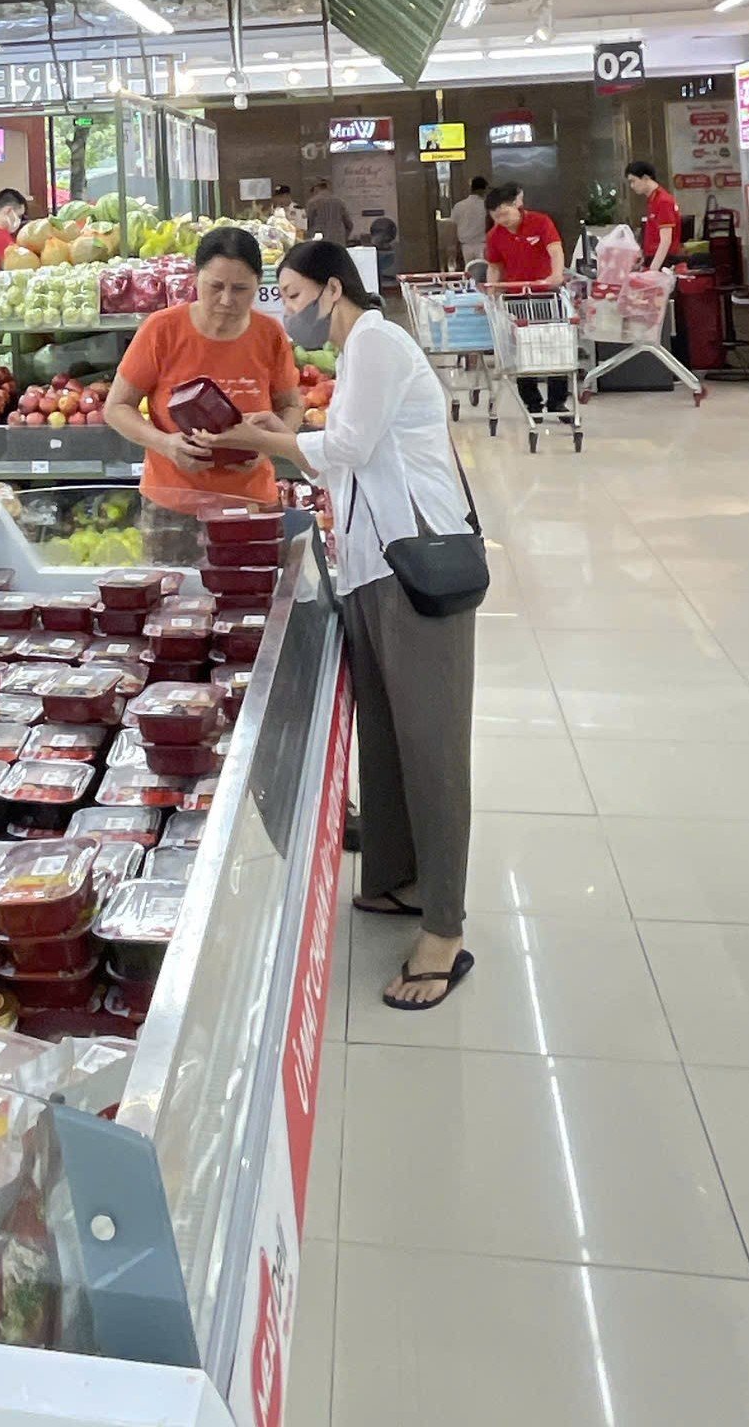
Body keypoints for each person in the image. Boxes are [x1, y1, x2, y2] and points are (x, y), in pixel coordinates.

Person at [219, 240, 476, 1010]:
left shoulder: (376, 340)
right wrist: (279, 434)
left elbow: (350, 445)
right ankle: (399, 881)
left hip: (416, 566)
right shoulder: (360, 353)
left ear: (332, 288)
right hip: (372, 564)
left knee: (431, 744)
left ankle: (446, 928)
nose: (285, 309)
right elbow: (341, 460)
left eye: (292, 294)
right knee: (389, 738)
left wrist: (261, 439)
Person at [105, 226, 302, 563]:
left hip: (250, 501)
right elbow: (116, 407)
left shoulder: (270, 335)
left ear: (259, 284)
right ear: (196, 280)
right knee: (171, 605)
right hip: (173, 504)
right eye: (215, 286)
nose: (226, 300)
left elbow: (292, 404)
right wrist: (166, 444)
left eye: (240, 289)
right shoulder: (162, 330)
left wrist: (268, 446)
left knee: (252, 604)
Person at [482, 182, 568, 417]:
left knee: (555, 345)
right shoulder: (495, 235)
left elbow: (555, 250)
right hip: (516, 298)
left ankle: (557, 400)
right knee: (521, 350)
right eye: (497, 217)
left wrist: (556, 275)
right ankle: (531, 402)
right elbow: (495, 267)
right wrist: (492, 294)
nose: (503, 220)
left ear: (516, 206)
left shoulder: (541, 222)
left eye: (506, 213)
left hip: (546, 294)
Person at [626, 161, 681, 274]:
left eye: (633, 181)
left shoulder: (663, 201)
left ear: (646, 178)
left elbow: (666, 240)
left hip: (663, 261)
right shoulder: (653, 200)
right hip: (653, 258)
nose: (632, 186)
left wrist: (653, 270)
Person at [449, 176, 489, 267]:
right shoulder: (486, 206)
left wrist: (455, 248)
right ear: (484, 189)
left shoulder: (459, 206)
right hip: (483, 245)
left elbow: (453, 229)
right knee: (483, 273)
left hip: (465, 246)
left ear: (471, 188)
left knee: (468, 274)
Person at [305, 179, 354, 244]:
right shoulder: (339, 201)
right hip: (338, 242)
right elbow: (349, 224)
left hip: (320, 242)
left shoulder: (312, 202)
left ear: (316, 188)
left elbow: (308, 223)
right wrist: (344, 237)